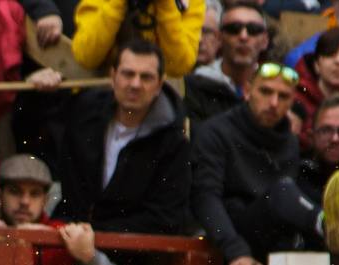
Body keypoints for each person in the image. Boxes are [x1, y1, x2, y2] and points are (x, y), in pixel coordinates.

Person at [192, 62, 339, 265]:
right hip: (231, 236)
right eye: (266, 92)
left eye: (283, 97)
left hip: (276, 238)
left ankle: (337, 235)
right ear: (247, 91)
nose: (273, 103)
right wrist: (236, 251)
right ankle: (326, 223)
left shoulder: (288, 141)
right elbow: (206, 198)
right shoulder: (215, 132)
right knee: (283, 191)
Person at [54, 39, 189, 236]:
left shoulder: (173, 142)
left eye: (146, 77)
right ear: (113, 76)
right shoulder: (84, 114)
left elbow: (165, 218)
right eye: (128, 74)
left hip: (131, 254)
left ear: (160, 84)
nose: (135, 84)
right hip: (72, 236)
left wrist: (95, 233)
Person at [0, 154, 130, 265]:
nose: (25, 201)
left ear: (45, 200)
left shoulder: (64, 233)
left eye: (34, 194)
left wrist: (89, 257)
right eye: (15, 191)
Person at [183, 1, 267, 124]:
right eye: (234, 29)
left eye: (253, 30)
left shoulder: (274, 87)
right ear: (219, 37)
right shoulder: (195, 84)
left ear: (265, 40)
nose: (243, 36)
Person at [70, 0, 204, 77]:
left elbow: (180, 67)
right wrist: (118, 4)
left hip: (160, 96)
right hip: (104, 96)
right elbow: (86, 56)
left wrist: (166, 4)